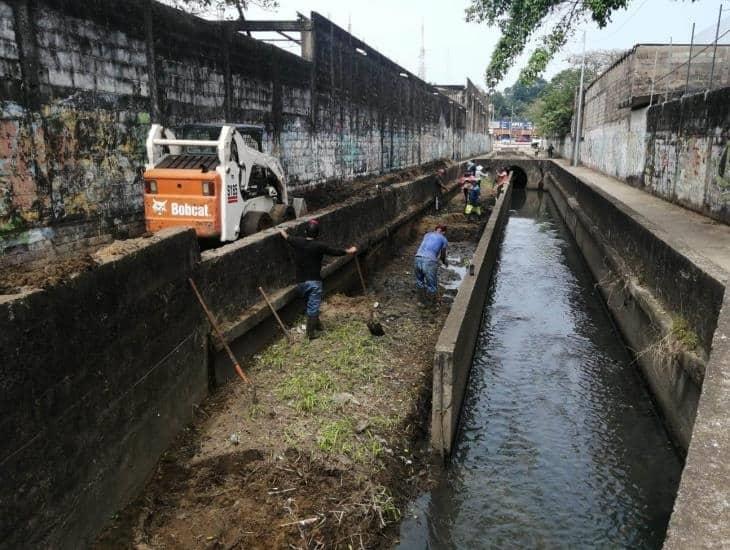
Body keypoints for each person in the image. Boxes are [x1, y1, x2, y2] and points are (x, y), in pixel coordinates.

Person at [280, 220, 357, 340]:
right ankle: (310, 335)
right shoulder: (320, 246)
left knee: (310, 305)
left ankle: (317, 325)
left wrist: (280, 230)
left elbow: (287, 237)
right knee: (313, 307)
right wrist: (349, 251)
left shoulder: (298, 242)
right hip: (314, 282)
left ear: (305, 232)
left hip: (300, 283)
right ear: (317, 234)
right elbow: (335, 251)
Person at [414, 224, 448, 307]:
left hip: (417, 258)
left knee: (419, 281)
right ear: (443, 232)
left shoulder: (427, 235)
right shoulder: (444, 239)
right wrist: (444, 262)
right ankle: (432, 305)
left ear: (435, 229)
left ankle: (421, 302)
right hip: (429, 261)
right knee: (432, 285)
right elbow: (442, 255)